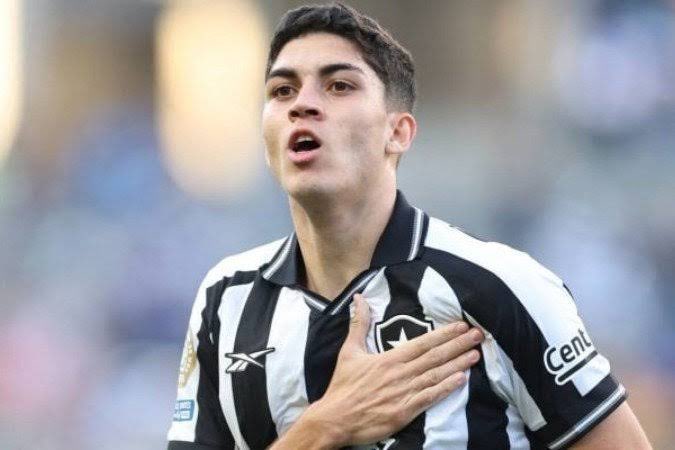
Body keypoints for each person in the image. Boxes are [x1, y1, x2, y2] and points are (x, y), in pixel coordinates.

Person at [167, 3, 651, 449]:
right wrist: (325, 426)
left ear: (397, 133)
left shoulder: (500, 285)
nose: (302, 104)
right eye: (282, 90)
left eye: (339, 86)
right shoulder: (226, 298)